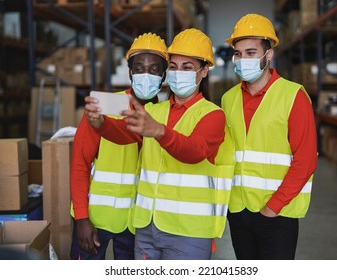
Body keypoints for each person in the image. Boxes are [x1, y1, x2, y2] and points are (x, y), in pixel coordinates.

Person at [84, 28, 235, 260]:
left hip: (189, 233)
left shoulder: (213, 115)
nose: (178, 73)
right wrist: (101, 123)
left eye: (187, 67)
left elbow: (195, 151)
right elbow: (125, 135)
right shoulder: (154, 110)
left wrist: (160, 132)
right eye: (173, 67)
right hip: (147, 228)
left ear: (204, 71)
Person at [221, 13, 318, 260]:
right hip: (238, 210)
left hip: (277, 213)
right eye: (238, 53)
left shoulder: (293, 96)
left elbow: (305, 160)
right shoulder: (228, 98)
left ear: (268, 54)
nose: (243, 60)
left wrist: (273, 207)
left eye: (251, 53)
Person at [70, 32, 168, 260]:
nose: (146, 75)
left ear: (164, 75)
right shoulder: (103, 106)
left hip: (138, 225)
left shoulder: (166, 117)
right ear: (131, 72)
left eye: (154, 69)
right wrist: (82, 218)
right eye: (139, 68)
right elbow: (80, 165)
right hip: (96, 219)